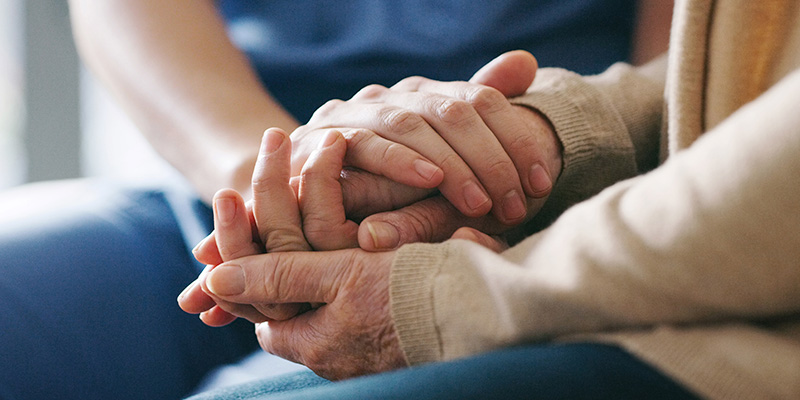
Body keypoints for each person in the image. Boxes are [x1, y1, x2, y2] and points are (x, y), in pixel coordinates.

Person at [0, 1, 670, 399]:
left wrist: (534, 161)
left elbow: (692, 73)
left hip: (537, 209)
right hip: (221, 194)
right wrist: (276, 181)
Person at [183, 0, 800, 398]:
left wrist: (452, 297)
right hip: (304, 170)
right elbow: (745, 70)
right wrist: (543, 137)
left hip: (751, 336)